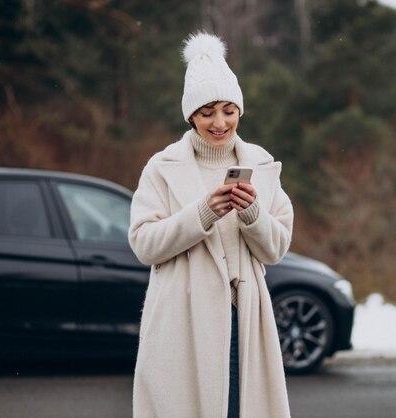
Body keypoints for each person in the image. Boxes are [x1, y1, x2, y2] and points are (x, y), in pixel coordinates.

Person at [128, 31, 294, 418]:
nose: (220, 122)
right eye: (207, 113)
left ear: (240, 110)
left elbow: (276, 248)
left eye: (228, 110)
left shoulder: (263, 166)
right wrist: (201, 213)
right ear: (190, 116)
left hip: (244, 317)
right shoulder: (161, 168)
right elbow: (144, 244)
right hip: (183, 320)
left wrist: (252, 213)